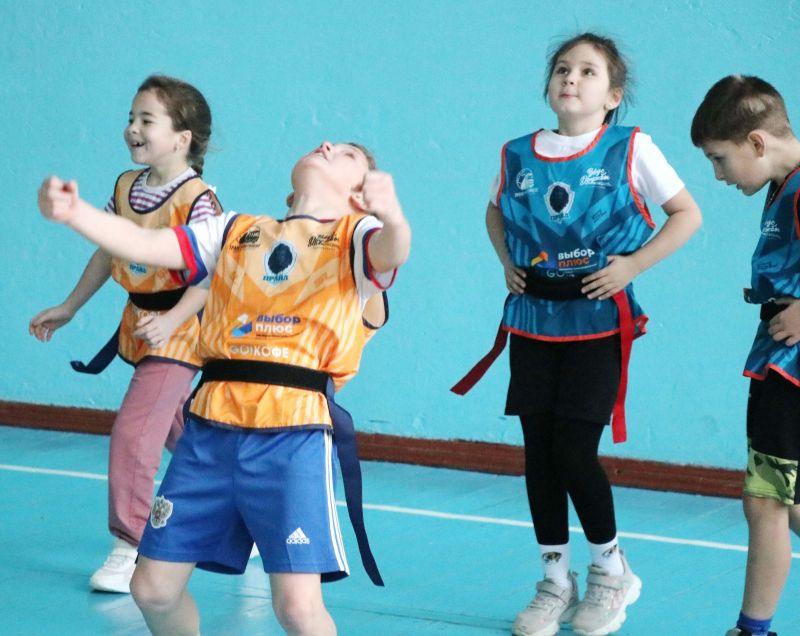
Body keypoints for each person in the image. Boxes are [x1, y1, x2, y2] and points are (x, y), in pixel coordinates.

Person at [37, 139, 411, 636]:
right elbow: (148, 245)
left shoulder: (357, 234)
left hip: (291, 436)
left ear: (360, 196)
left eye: (346, 154)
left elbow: (391, 251)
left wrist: (392, 216)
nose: (326, 146)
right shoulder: (234, 229)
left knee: (297, 608)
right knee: (152, 588)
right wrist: (76, 213)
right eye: (326, 144)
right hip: (209, 430)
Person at [452, 33, 701, 636]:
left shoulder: (631, 147)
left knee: (573, 451)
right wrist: (506, 262)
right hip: (533, 319)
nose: (571, 78)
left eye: (589, 71)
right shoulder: (517, 154)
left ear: (613, 95)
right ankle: (554, 581)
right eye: (563, 68)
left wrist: (633, 265)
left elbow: (687, 214)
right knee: (538, 455)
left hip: (597, 321)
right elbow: (494, 211)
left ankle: (611, 571)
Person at [28, 75, 221, 594]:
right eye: (130, 118)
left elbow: (212, 274)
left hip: (180, 330)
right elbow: (108, 250)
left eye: (146, 120)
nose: (132, 128)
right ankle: (235, 516)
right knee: (190, 436)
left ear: (182, 138)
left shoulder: (199, 200)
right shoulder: (125, 186)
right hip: (140, 324)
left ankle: (132, 543)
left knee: (135, 432)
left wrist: (174, 319)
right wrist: (70, 306)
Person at [692, 74, 800, 636]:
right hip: (777, 354)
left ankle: (752, 631)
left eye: (719, 159)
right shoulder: (784, 188)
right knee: (787, 500)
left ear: (757, 142)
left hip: (793, 366)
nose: (718, 175)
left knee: (765, 501)